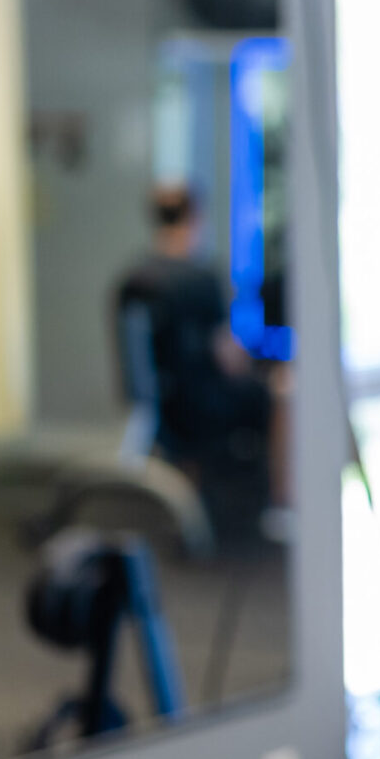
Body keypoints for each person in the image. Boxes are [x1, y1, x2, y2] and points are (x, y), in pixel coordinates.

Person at [116, 186, 283, 538]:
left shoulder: (135, 277)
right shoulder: (200, 278)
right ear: (196, 219)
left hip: (161, 406)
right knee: (278, 394)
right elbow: (229, 358)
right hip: (203, 407)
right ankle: (280, 507)